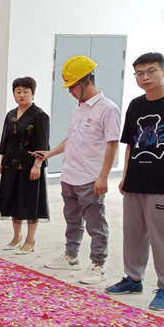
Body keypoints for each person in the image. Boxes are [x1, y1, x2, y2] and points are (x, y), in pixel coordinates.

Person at [35, 55, 121, 285]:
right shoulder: (79, 108)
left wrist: (103, 177)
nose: (70, 91)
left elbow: (112, 145)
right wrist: (49, 153)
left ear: (86, 82)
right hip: (70, 175)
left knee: (95, 224)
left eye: (72, 86)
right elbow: (71, 139)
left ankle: (98, 265)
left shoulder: (108, 109)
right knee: (72, 220)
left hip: (90, 177)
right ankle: (71, 256)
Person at [105, 52, 164, 311]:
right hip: (136, 181)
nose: (145, 77)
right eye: (140, 73)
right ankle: (133, 279)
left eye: (151, 71)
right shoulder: (136, 105)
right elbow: (130, 145)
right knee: (133, 235)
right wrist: (125, 176)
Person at [0, 77, 50, 253]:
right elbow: (5, 140)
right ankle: (16, 237)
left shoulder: (40, 115)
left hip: (30, 166)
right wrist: (2, 161)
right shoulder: (10, 114)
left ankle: (30, 240)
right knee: (13, 200)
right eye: (18, 91)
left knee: (30, 202)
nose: (21, 95)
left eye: (26, 91)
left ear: (33, 93)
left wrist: (37, 165)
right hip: (10, 163)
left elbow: (43, 143)